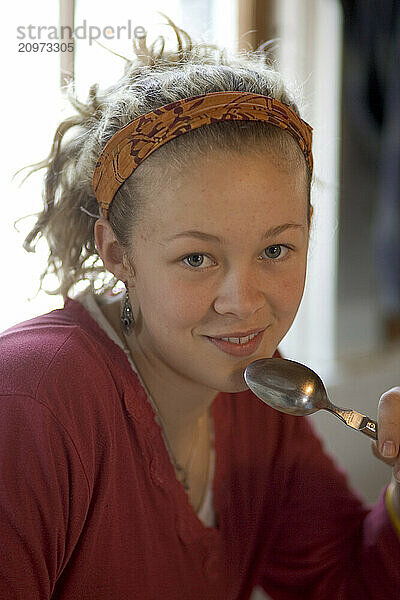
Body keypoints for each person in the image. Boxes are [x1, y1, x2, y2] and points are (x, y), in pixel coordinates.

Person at [1, 15, 400, 600]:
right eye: (196, 258)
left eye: (275, 249)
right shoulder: (34, 402)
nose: (243, 302)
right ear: (118, 252)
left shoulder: (260, 395)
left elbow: (344, 581)